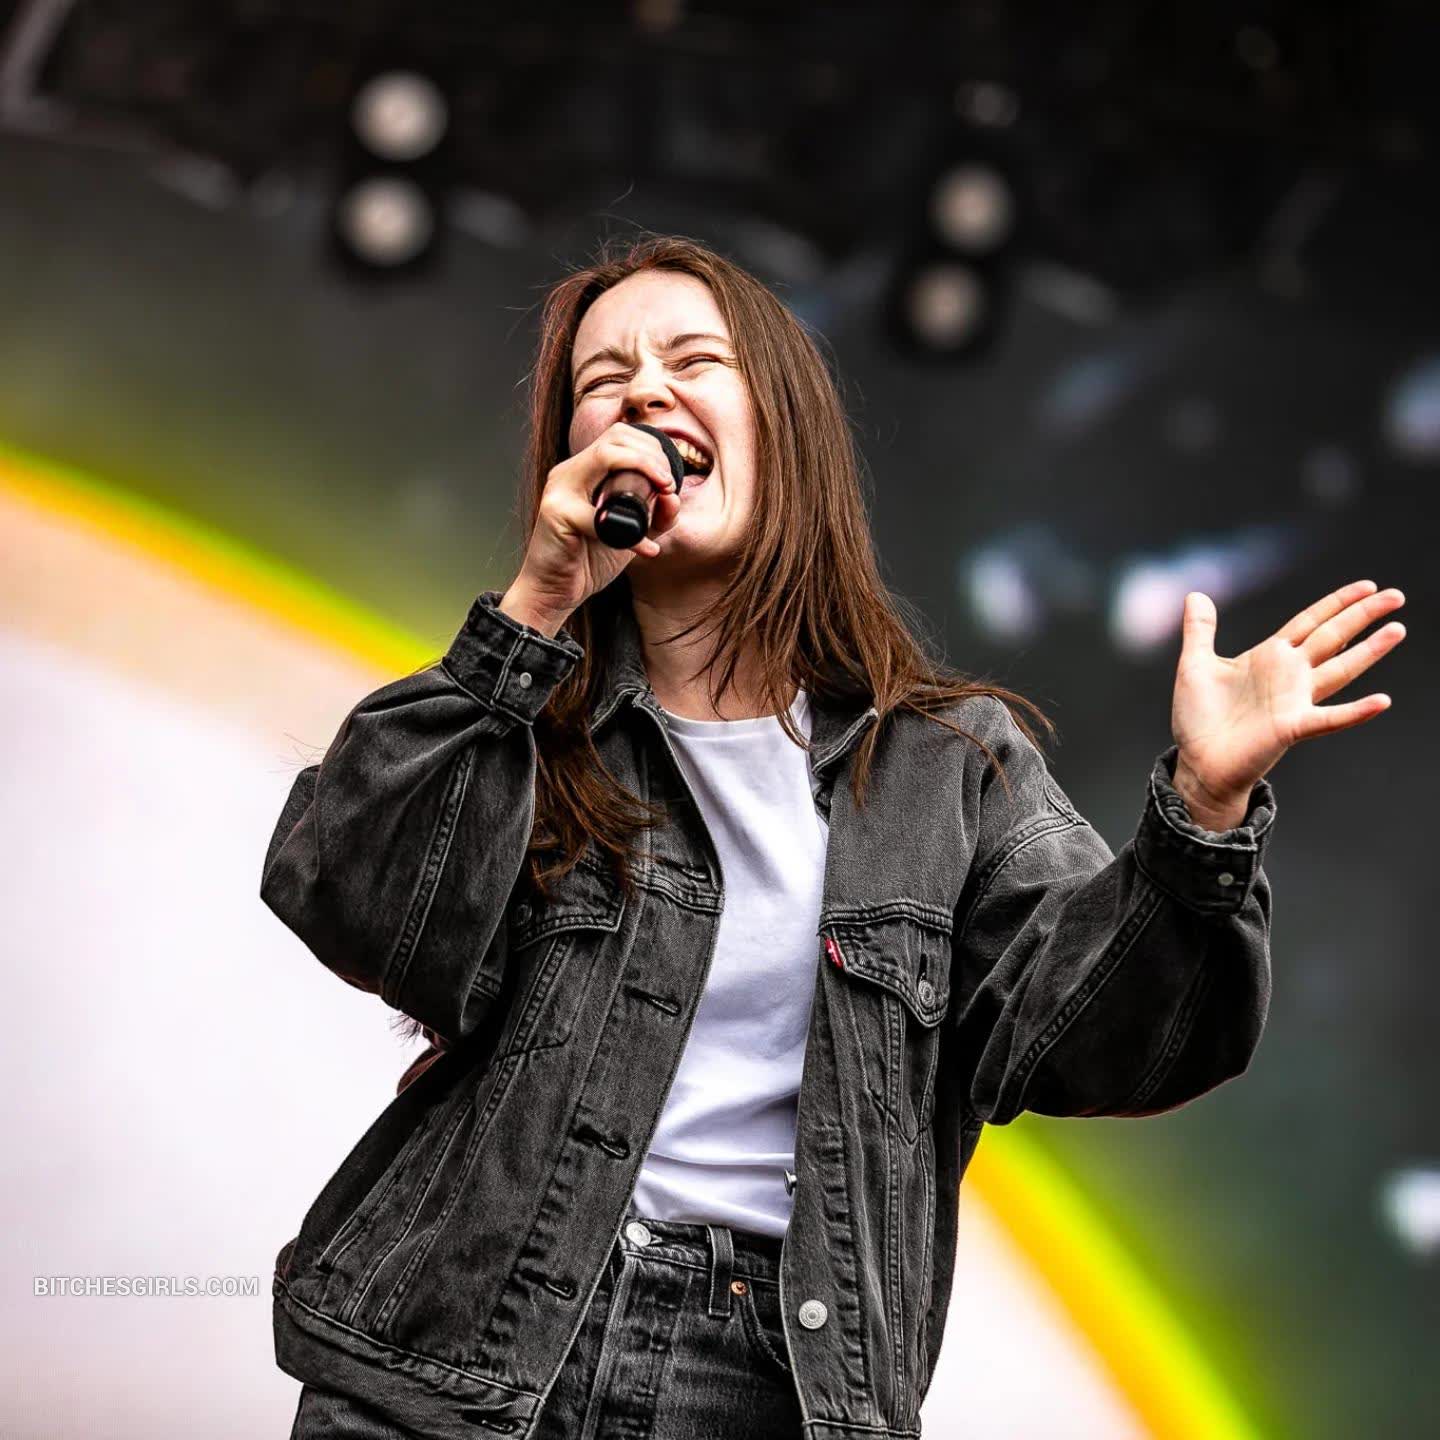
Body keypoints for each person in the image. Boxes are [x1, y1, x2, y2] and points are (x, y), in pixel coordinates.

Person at [262, 233, 1404, 1440]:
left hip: (760, 1377)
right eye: (605, 380)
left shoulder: (945, 767)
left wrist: (1205, 809)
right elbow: (351, 896)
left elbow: (1106, 1047)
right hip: (458, 1360)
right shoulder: (524, 718)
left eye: (692, 361)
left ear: (785, 430)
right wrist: (536, 605)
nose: (644, 393)